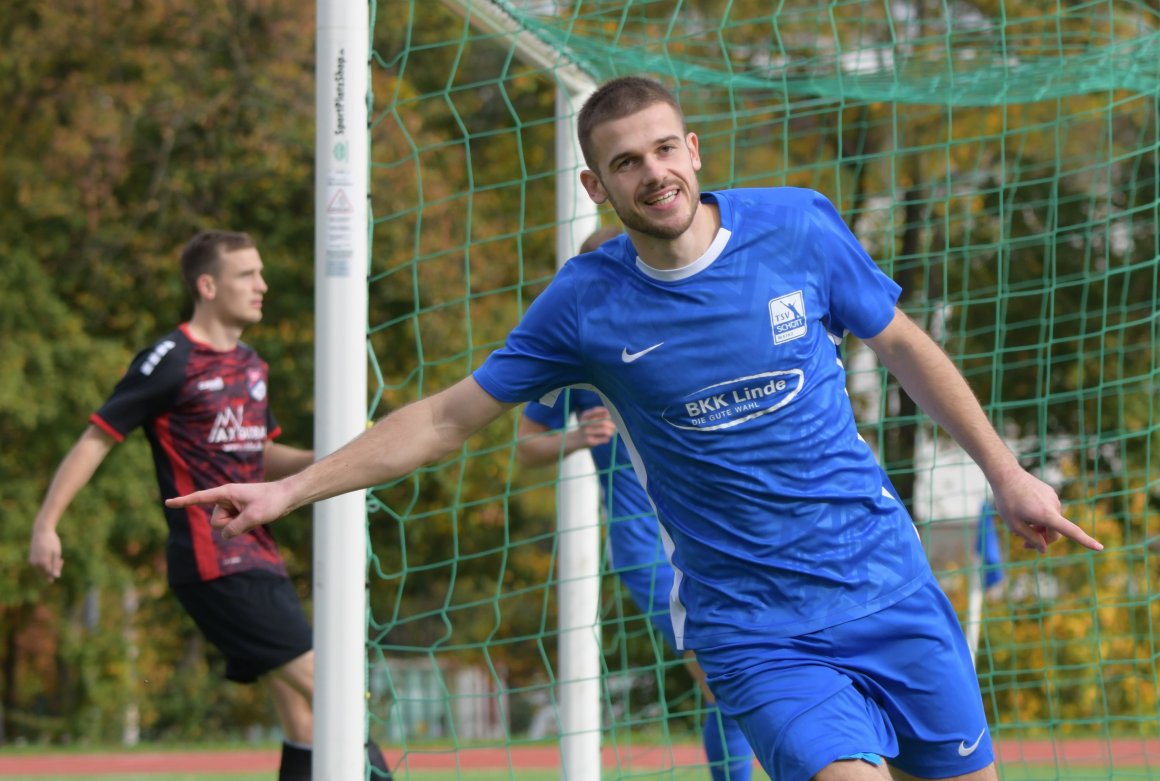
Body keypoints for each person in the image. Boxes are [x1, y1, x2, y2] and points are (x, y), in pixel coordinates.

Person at [166, 78, 1104, 781]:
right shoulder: (584, 306)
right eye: (625, 161)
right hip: (755, 625)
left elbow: (902, 344)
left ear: (693, 150)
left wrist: (1006, 473)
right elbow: (451, 415)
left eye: (663, 150)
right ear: (596, 181)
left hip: (889, 585)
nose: (652, 172)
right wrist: (293, 485)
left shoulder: (800, 230)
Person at [28, 230, 391, 781]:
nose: (262, 285)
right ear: (207, 285)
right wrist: (46, 524)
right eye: (247, 274)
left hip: (260, 558)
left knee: (306, 719)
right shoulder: (170, 360)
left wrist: (335, 459)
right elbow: (97, 437)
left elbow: (260, 455)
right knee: (336, 693)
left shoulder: (251, 365)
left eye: (261, 273)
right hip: (214, 563)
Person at [516, 227, 753, 781]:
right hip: (646, 546)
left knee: (739, 676)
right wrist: (576, 437)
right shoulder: (574, 353)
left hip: (712, 532)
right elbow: (527, 446)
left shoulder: (685, 334)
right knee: (723, 675)